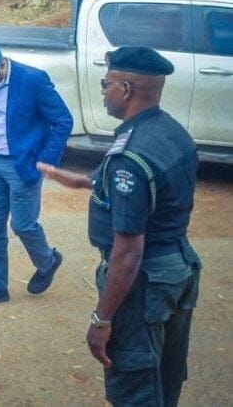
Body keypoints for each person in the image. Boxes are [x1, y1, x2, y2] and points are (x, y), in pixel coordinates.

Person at [38, 47, 201, 407]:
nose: (103, 91)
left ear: (125, 90)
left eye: (105, 84)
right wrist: (82, 181)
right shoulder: (170, 131)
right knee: (165, 374)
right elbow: (155, 190)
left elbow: (128, 252)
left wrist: (102, 320)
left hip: (144, 282)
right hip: (178, 266)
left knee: (136, 384)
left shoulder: (130, 156)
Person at [0, 43, 73, 308]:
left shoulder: (33, 80)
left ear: (1, 65)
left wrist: (45, 160)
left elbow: (63, 120)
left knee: (23, 225)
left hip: (22, 165)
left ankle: (47, 261)